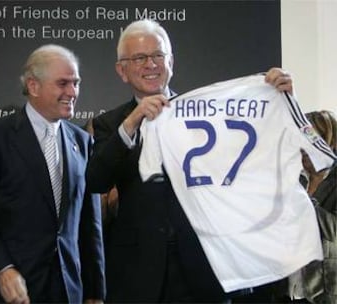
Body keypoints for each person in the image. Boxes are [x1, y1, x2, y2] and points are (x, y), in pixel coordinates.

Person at [85, 19, 295, 303]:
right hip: (138, 272)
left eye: (158, 55)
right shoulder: (109, 124)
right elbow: (96, 179)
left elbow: (259, 155)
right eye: (139, 58)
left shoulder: (208, 113)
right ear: (122, 71)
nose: (151, 64)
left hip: (203, 267)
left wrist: (278, 98)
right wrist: (132, 122)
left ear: (171, 62)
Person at [0, 44, 105, 304]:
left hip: (67, 291)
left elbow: (89, 223)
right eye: (63, 83)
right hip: (11, 292)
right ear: (33, 86)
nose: (72, 92)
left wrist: (94, 291)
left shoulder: (82, 142)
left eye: (76, 83)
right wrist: (3, 269)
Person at [278, 110, 337, 304]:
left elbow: (334, 230)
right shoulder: (293, 178)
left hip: (325, 292)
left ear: (329, 142)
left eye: (309, 142)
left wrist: (302, 203)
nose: (302, 149)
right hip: (287, 290)